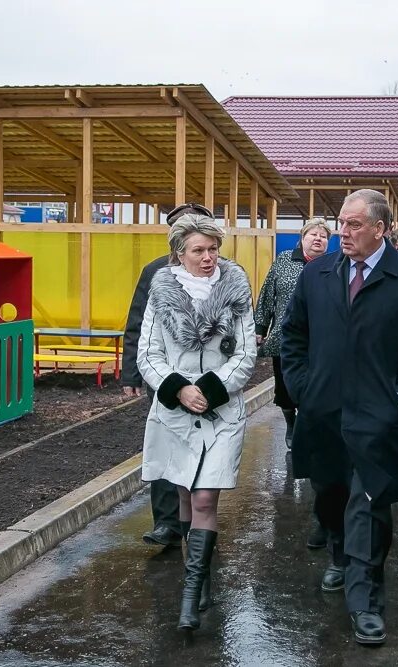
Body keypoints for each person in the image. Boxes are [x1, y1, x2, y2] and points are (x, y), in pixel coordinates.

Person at [281, 189, 398, 646]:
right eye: (340, 225)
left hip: (378, 415)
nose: (342, 233)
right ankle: (338, 554)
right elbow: (293, 336)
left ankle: (366, 602)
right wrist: (303, 389)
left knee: (369, 506)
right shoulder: (318, 274)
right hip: (323, 412)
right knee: (330, 495)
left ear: (381, 228)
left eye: (353, 225)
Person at [138, 212, 257, 635]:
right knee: (186, 495)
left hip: (222, 411)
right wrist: (178, 389)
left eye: (213, 249)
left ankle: (188, 598)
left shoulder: (236, 291)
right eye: (199, 251)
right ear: (179, 254)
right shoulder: (161, 293)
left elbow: (245, 354)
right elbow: (148, 355)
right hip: (174, 414)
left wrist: (209, 389)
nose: (208, 258)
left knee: (206, 498)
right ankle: (201, 576)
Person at [123, 202, 215, 549]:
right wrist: (131, 372)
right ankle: (166, 522)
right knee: (165, 448)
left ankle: (199, 521)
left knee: (203, 449)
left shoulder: (223, 273)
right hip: (163, 378)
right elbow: (137, 324)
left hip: (208, 382)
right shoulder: (154, 272)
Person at [253, 218, 332, 549]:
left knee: (314, 393)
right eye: (313, 234)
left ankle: (308, 429)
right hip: (286, 340)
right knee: (286, 390)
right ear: (302, 238)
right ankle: (290, 423)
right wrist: (260, 327)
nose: (318, 239)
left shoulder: (334, 265)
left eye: (323, 235)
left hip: (321, 342)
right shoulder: (284, 261)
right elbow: (268, 295)